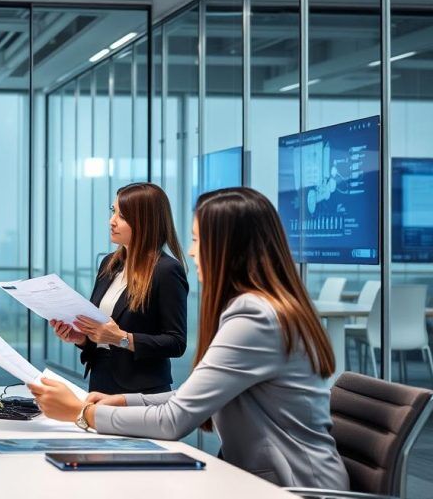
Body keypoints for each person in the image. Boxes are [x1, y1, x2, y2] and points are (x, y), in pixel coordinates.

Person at [29, 187, 349, 490]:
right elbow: (191, 397)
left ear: (228, 248)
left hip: (295, 486)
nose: (193, 252)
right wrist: (124, 400)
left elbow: (174, 421)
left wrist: (79, 413)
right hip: (263, 476)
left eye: (198, 240)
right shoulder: (258, 307)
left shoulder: (255, 318)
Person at [49, 182, 188, 394]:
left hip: (143, 390)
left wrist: (121, 338)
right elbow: (102, 331)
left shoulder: (166, 270)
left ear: (145, 222)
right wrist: (82, 338)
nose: (111, 221)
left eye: (122, 216)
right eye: (113, 211)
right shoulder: (109, 264)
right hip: (100, 380)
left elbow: (176, 342)